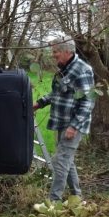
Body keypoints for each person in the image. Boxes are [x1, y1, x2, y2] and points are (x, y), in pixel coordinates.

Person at [33, 39, 95, 202]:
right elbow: (58, 93)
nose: (53, 56)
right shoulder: (64, 69)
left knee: (60, 161)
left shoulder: (82, 70)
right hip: (62, 121)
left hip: (74, 123)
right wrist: (39, 103)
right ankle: (77, 196)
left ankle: (54, 201)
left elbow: (88, 101)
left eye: (55, 52)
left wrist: (74, 126)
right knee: (67, 160)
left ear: (67, 52)